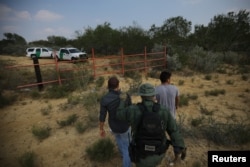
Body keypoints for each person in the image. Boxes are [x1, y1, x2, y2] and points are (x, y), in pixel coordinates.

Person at [116, 83, 186, 167]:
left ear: (141, 96)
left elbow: (119, 114)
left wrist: (122, 100)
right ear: (153, 95)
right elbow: (174, 130)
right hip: (159, 153)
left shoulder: (133, 110)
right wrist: (180, 146)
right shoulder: (164, 110)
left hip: (139, 152)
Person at [99, 76, 132, 167]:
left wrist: (101, 129)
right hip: (125, 126)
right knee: (127, 148)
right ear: (118, 85)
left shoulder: (104, 99)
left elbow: (102, 116)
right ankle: (126, 160)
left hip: (113, 126)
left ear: (108, 86)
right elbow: (130, 110)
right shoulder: (126, 95)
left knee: (118, 139)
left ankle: (123, 155)